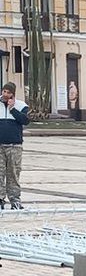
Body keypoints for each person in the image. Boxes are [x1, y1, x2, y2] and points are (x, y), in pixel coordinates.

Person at [0, 82, 30, 210]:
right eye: (4, 91)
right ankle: (0, 199)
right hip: (0, 145)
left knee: (13, 173)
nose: (5, 94)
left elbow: (25, 120)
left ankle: (15, 199)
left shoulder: (21, 105)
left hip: (14, 146)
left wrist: (12, 109)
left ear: (13, 94)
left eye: (8, 92)